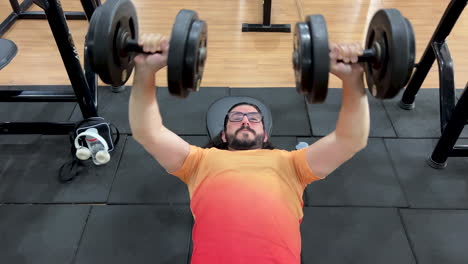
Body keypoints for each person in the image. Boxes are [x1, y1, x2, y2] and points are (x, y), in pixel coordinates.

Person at [129, 34, 370, 263]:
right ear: (223, 134)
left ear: (265, 134)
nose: (245, 120)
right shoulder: (198, 161)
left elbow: (351, 139)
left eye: (254, 118)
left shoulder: (292, 164)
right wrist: (144, 70)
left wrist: (353, 79)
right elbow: (148, 132)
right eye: (236, 117)